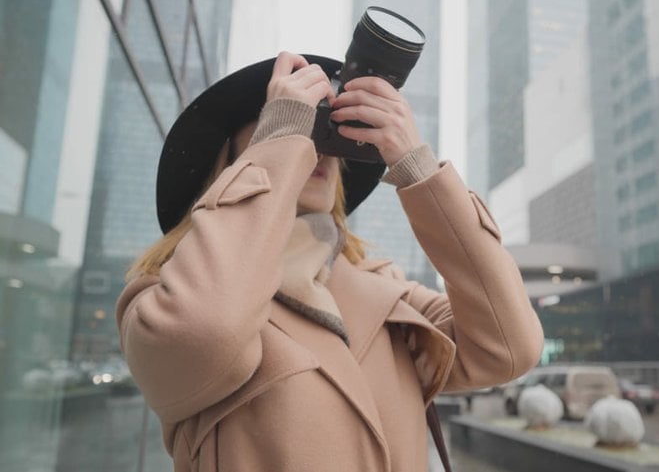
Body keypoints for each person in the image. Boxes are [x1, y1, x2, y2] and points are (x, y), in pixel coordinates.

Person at [116, 51, 544, 471]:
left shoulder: (389, 296)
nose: (317, 148)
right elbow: (207, 330)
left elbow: (510, 348)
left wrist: (418, 168)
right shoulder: (163, 300)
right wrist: (284, 136)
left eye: (327, 132)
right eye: (302, 126)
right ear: (231, 165)